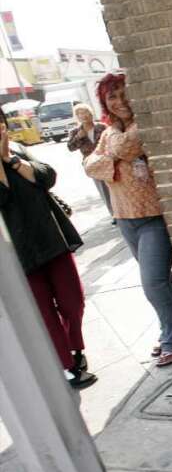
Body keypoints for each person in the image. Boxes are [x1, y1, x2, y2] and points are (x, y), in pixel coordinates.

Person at [83, 73, 172, 367]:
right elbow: (90, 165)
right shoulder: (108, 132)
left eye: (123, 93)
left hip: (152, 216)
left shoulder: (141, 124)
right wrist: (112, 160)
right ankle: (170, 332)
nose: (120, 102)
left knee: (153, 282)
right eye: (111, 98)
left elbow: (128, 147)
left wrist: (113, 156)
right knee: (161, 283)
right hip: (125, 219)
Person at [0, 107, 97, 389]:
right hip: (19, 256)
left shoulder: (18, 150)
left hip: (50, 240)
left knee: (72, 301)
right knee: (45, 313)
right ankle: (68, 365)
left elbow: (47, 176)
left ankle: (75, 347)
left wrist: (11, 160)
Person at [68, 103, 113, 222]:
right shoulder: (75, 132)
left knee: (114, 185)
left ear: (91, 113)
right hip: (92, 164)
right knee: (103, 189)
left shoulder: (101, 127)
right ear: (77, 117)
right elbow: (71, 148)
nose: (84, 116)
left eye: (85, 112)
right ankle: (114, 215)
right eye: (80, 114)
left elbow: (112, 140)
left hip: (107, 160)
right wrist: (78, 137)